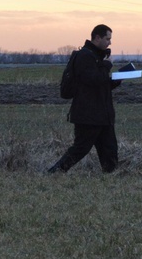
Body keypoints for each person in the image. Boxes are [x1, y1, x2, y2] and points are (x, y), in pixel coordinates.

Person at [48, 24, 121, 173]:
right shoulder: (85, 56)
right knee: (81, 148)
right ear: (97, 37)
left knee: (110, 148)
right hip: (88, 114)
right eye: (107, 38)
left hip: (102, 114)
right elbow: (93, 79)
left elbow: (99, 84)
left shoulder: (97, 57)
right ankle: (56, 171)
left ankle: (111, 175)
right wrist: (107, 65)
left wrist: (116, 79)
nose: (110, 42)